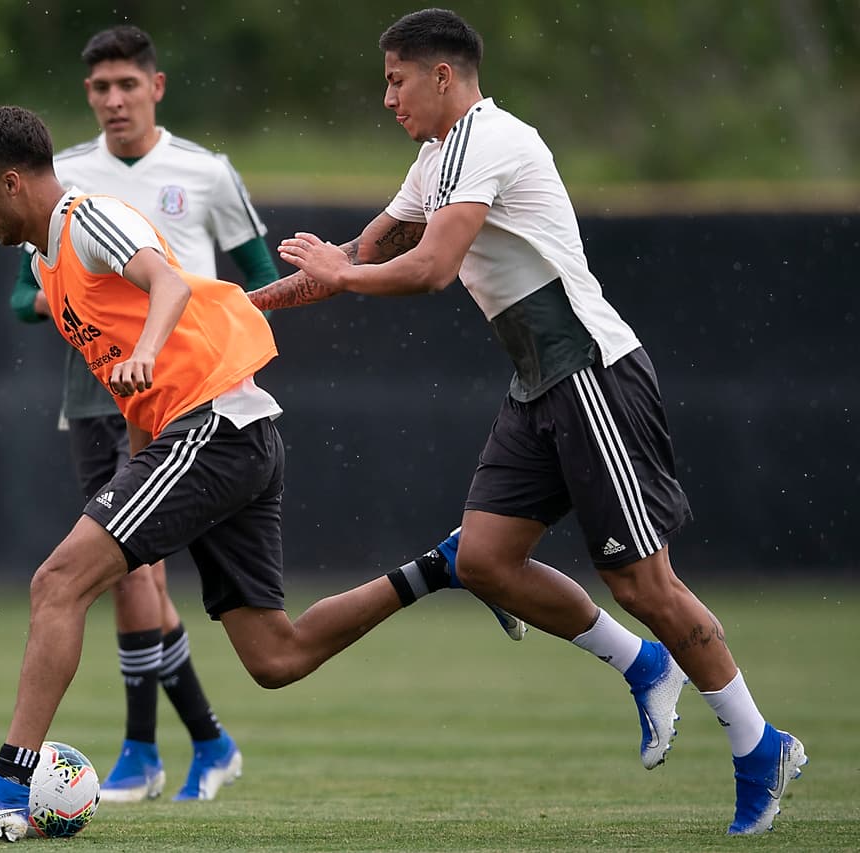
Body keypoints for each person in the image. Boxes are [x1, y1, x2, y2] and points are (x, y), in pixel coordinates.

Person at [253, 8, 806, 836]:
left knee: (643, 582)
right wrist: (235, 312)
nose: (386, 99)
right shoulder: (439, 156)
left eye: (397, 80)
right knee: (484, 561)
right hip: (538, 385)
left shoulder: (493, 139)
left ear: (444, 76)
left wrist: (343, 272)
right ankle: (643, 662)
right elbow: (360, 256)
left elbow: (431, 269)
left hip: (591, 376)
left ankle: (759, 742)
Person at [0, 104, 498, 842]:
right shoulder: (44, 265)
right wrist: (139, 442)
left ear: (13, 182)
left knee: (57, 582)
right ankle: (446, 564)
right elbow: (135, 384)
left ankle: (7, 783)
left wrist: (149, 350)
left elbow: (167, 283)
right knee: (276, 656)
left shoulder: (89, 219)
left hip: (214, 427)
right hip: (224, 435)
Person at [9, 25, 282, 803]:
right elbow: (22, 297)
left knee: (128, 574)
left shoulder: (205, 171)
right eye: (99, 88)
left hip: (193, 391)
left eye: (127, 84)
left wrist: (215, 343)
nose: (113, 99)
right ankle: (168, 743)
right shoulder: (60, 179)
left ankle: (167, 744)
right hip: (104, 389)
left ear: (156, 86)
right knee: (132, 575)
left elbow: (258, 275)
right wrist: (78, 302)